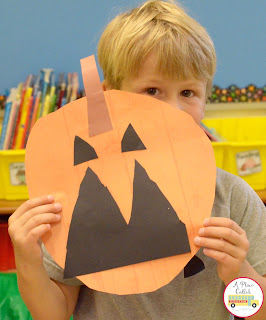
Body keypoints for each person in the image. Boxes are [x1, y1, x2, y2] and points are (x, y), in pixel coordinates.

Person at [8, 1, 266, 319]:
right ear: (108, 99)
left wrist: (239, 272)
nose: (172, 110)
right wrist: (28, 260)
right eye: (152, 91)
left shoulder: (232, 198)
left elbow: (258, 311)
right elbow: (54, 313)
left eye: (188, 93)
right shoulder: (76, 197)